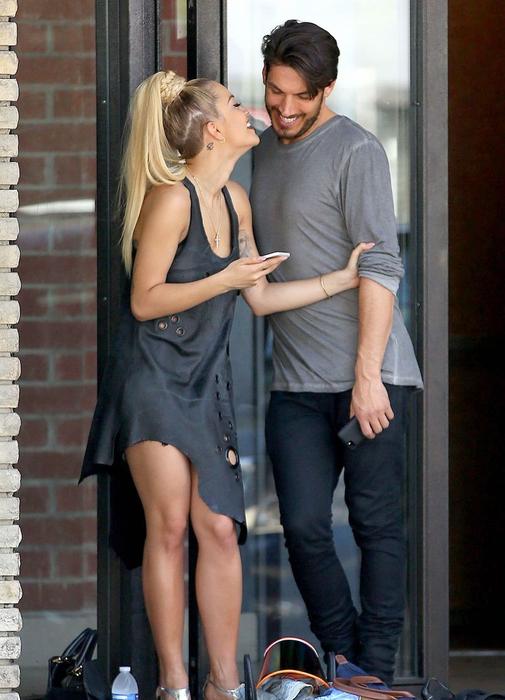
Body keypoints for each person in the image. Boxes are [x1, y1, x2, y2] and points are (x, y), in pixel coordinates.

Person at [79, 70, 371, 700]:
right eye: (237, 104)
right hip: (153, 382)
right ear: (213, 129)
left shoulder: (235, 199)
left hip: (205, 383)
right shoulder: (170, 198)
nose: (249, 110)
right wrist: (224, 279)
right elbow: (144, 300)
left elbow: (258, 297)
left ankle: (222, 684)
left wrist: (341, 281)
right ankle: (175, 686)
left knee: (218, 529)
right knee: (169, 529)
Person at [250, 20, 424, 686]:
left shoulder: (357, 150)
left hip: (369, 378)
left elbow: (380, 265)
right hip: (295, 383)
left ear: (327, 89)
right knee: (301, 524)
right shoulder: (262, 150)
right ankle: (343, 656)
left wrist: (367, 377)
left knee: (375, 525)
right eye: (276, 93)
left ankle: (373, 670)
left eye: (302, 96)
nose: (286, 109)